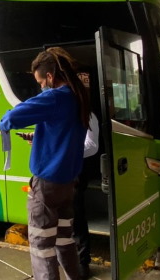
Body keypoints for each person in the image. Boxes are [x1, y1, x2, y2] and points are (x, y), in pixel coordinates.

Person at [0, 47, 91, 280]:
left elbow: (10, 119)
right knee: (64, 239)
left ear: (50, 76)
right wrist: (38, 138)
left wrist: (5, 123)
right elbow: (64, 134)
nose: (41, 86)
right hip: (69, 184)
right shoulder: (78, 97)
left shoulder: (54, 96)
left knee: (42, 246)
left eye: (41, 81)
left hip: (47, 186)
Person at [73, 112, 99, 280]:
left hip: (75, 170)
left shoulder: (87, 115)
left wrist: (67, 152)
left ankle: (83, 261)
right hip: (56, 170)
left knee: (77, 218)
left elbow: (91, 145)